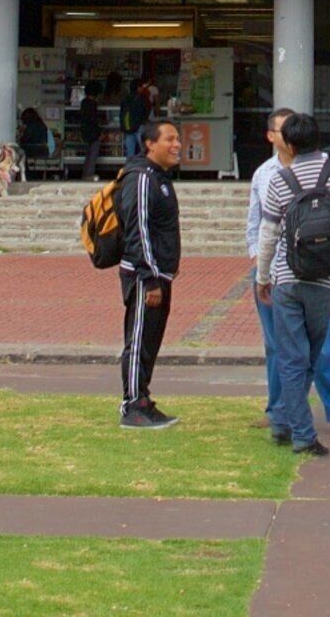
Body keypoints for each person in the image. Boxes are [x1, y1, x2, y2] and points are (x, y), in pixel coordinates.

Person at [255, 109, 330, 458]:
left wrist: (262, 277)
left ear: (288, 144)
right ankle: (291, 425)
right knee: (314, 353)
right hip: (327, 278)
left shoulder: (279, 179)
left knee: (290, 356)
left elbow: (268, 235)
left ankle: (291, 427)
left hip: (288, 277)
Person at [113, 119, 186, 429]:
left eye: (178, 138)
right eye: (169, 139)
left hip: (160, 274)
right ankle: (132, 405)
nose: (177, 144)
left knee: (150, 341)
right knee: (139, 339)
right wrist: (150, 277)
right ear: (150, 144)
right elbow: (138, 231)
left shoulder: (159, 177)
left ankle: (143, 399)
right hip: (145, 277)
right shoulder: (141, 178)